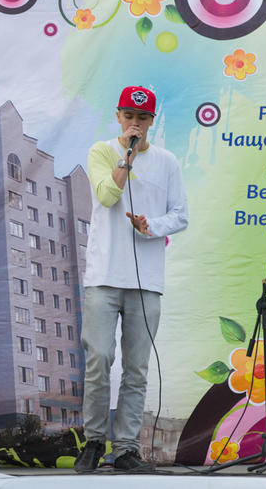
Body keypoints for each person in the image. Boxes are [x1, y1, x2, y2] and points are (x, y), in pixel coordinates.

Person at [75, 86, 188, 473]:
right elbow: (107, 197)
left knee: (136, 368)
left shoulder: (167, 162)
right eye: (128, 116)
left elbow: (180, 215)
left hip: (146, 281)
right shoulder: (102, 151)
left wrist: (150, 225)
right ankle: (93, 441)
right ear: (118, 117)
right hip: (104, 276)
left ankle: (125, 448)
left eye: (142, 118)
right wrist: (127, 157)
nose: (134, 123)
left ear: (152, 121)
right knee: (99, 359)